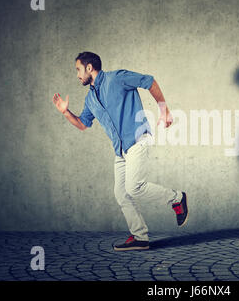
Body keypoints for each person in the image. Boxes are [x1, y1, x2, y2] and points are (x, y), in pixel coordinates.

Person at [52, 52, 188, 251]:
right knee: (121, 193)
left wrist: (164, 110)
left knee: (134, 187)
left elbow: (149, 81)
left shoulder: (117, 78)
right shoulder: (90, 99)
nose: (77, 75)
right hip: (121, 150)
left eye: (78, 70)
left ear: (89, 68)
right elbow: (82, 124)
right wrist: (65, 112)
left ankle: (177, 198)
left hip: (137, 138)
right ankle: (140, 237)